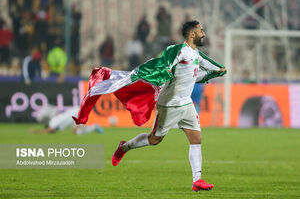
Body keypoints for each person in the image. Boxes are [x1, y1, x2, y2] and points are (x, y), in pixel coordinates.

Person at [111, 21, 226, 191]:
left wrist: (219, 71)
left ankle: (197, 180)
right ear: (192, 34)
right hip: (169, 104)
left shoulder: (197, 55)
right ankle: (124, 147)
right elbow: (166, 63)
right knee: (154, 139)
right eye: (201, 31)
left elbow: (210, 68)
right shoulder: (177, 50)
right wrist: (167, 70)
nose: (204, 34)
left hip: (186, 103)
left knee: (196, 139)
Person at [30, 105, 104, 135]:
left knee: (77, 131)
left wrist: (35, 131)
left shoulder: (53, 123)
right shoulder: (56, 124)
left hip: (77, 113)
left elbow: (47, 130)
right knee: (77, 132)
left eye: (52, 132)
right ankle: (94, 127)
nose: (53, 132)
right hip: (74, 116)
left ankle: (95, 127)